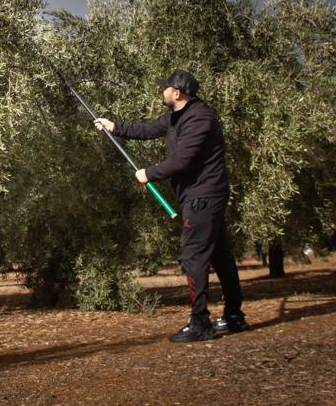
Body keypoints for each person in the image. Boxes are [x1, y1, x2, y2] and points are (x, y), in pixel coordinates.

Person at [94, 69, 248, 342]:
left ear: (176, 93)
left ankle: (200, 323)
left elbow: (181, 161)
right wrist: (114, 127)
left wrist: (148, 173)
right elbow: (149, 129)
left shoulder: (200, 118)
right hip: (202, 195)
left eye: (165, 87)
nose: (161, 90)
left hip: (203, 197)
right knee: (220, 255)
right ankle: (234, 317)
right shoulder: (178, 115)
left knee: (194, 256)